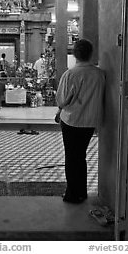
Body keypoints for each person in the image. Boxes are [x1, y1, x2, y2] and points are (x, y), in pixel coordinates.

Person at [55, 39, 105, 204]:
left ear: (75, 54)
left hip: (72, 120)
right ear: (91, 53)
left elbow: (62, 100)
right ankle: (81, 192)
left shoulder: (71, 74)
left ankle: (72, 194)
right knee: (80, 156)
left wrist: (60, 109)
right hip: (90, 121)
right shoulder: (99, 74)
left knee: (71, 157)